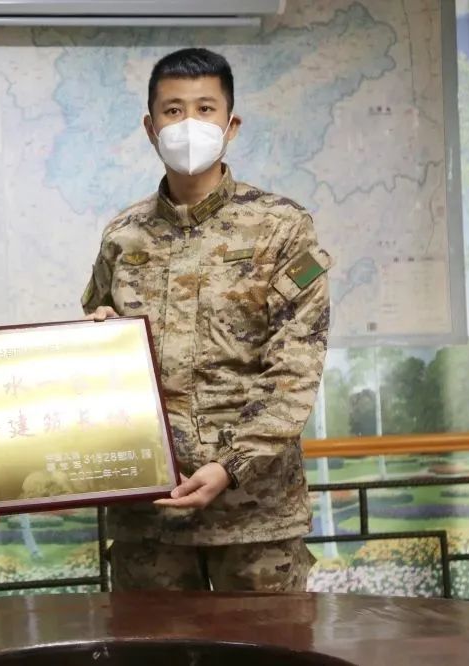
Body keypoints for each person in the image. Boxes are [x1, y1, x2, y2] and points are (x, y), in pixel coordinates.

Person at [82, 49, 332, 592]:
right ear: (151, 128)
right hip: (150, 513)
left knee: (267, 641)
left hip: (255, 515)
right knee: (152, 642)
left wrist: (232, 465)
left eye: (204, 108)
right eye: (173, 111)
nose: (188, 123)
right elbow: (97, 335)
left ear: (230, 125)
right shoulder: (123, 235)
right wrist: (96, 338)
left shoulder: (282, 228)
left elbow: (295, 367)